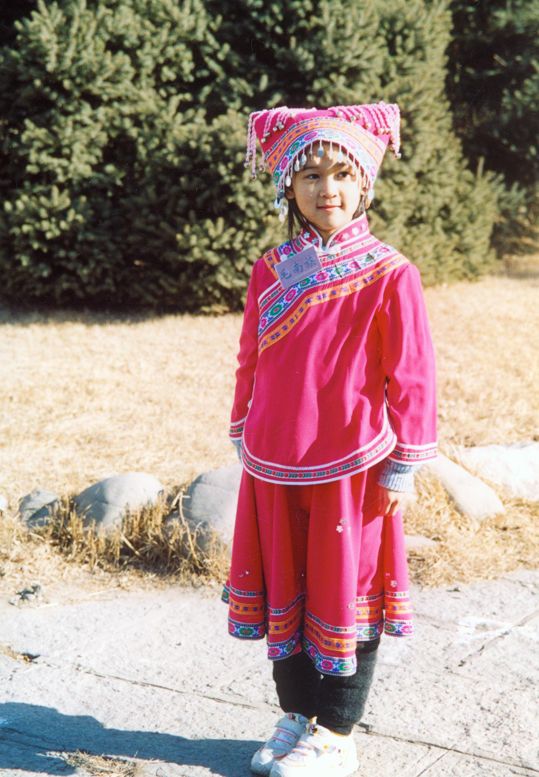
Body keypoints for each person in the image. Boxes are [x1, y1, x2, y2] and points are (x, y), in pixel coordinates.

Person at [222, 103, 437, 777]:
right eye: (310, 174)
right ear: (287, 185)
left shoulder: (389, 272)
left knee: (348, 589)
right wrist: (242, 424)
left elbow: (412, 374)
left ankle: (338, 731)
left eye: (342, 174)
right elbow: (250, 357)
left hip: (352, 463)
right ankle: (296, 714)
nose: (326, 189)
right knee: (285, 588)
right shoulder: (271, 268)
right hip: (272, 460)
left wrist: (404, 463)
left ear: (365, 182)